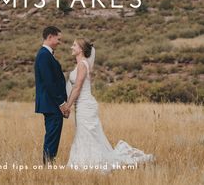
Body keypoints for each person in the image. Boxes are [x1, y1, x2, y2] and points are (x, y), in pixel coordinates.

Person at [65, 38, 155, 172]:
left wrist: (67, 106)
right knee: (84, 134)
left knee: (86, 134)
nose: (71, 47)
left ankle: (89, 163)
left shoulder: (83, 65)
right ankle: (86, 161)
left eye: (74, 45)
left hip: (85, 105)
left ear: (81, 49)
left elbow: (77, 87)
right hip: (81, 105)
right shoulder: (80, 65)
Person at [34, 26, 70, 165]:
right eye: (58, 39)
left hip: (51, 103)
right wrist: (61, 103)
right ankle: (48, 164)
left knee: (53, 135)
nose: (59, 42)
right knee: (52, 136)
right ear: (50, 37)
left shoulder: (47, 54)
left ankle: (49, 163)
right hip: (51, 104)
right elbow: (49, 82)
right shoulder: (44, 55)